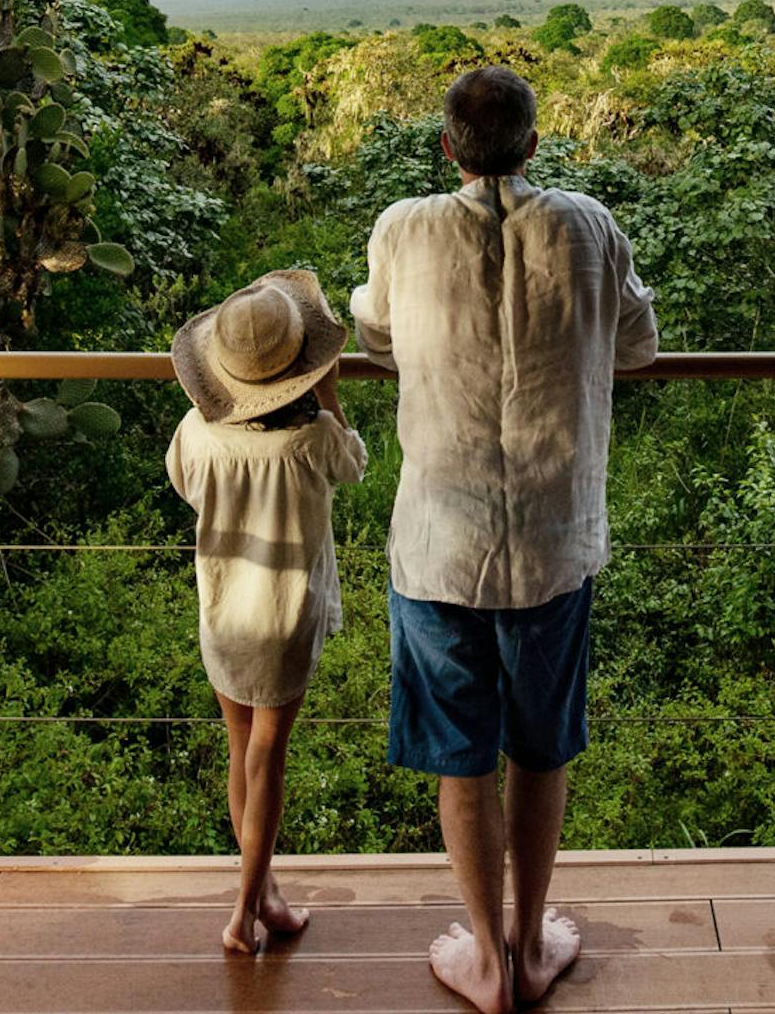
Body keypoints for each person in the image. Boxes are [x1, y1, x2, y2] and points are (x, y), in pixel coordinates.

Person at [352, 65, 658, 1013]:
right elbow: (640, 346)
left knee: (461, 756)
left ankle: (485, 959)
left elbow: (374, 337)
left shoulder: (404, 228)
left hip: (440, 545)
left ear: (449, 149)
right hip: (556, 539)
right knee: (540, 751)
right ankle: (530, 942)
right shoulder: (590, 225)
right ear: (533, 145)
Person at [166, 267, 368, 955]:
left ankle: (266, 893)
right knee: (268, 759)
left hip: (223, 608)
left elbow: (185, 485)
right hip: (284, 617)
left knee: (240, 748)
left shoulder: (198, 432)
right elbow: (357, 465)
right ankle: (245, 911)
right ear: (303, 370)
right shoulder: (312, 442)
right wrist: (334, 400)